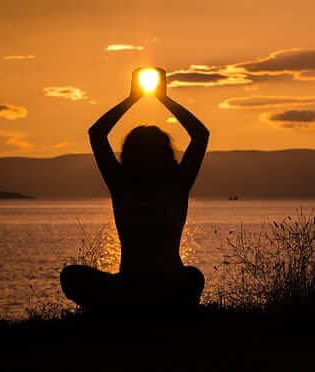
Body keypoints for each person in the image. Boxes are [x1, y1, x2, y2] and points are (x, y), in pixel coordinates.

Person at [60, 67, 209, 311]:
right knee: (71, 275)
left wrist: (158, 98)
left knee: (193, 277)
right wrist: (140, 98)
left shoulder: (169, 185)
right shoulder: (130, 185)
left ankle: (124, 310)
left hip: (153, 285)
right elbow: (96, 134)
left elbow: (201, 135)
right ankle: (152, 309)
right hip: (133, 286)